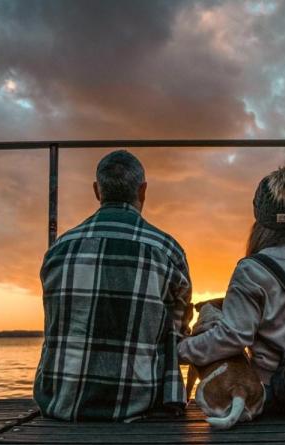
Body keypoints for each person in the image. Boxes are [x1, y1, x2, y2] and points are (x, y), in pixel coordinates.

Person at [34, 150, 192, 422]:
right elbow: (177, 332)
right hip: (139, 403)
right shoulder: (168, 251)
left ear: (97, 191)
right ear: (142, 191)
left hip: (61, 402)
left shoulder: (58, 250)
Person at [178, 165, 285, 408]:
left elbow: (233, 337)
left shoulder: (252, 269)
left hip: (277, 396)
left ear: (259, 221)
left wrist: (182, 349)